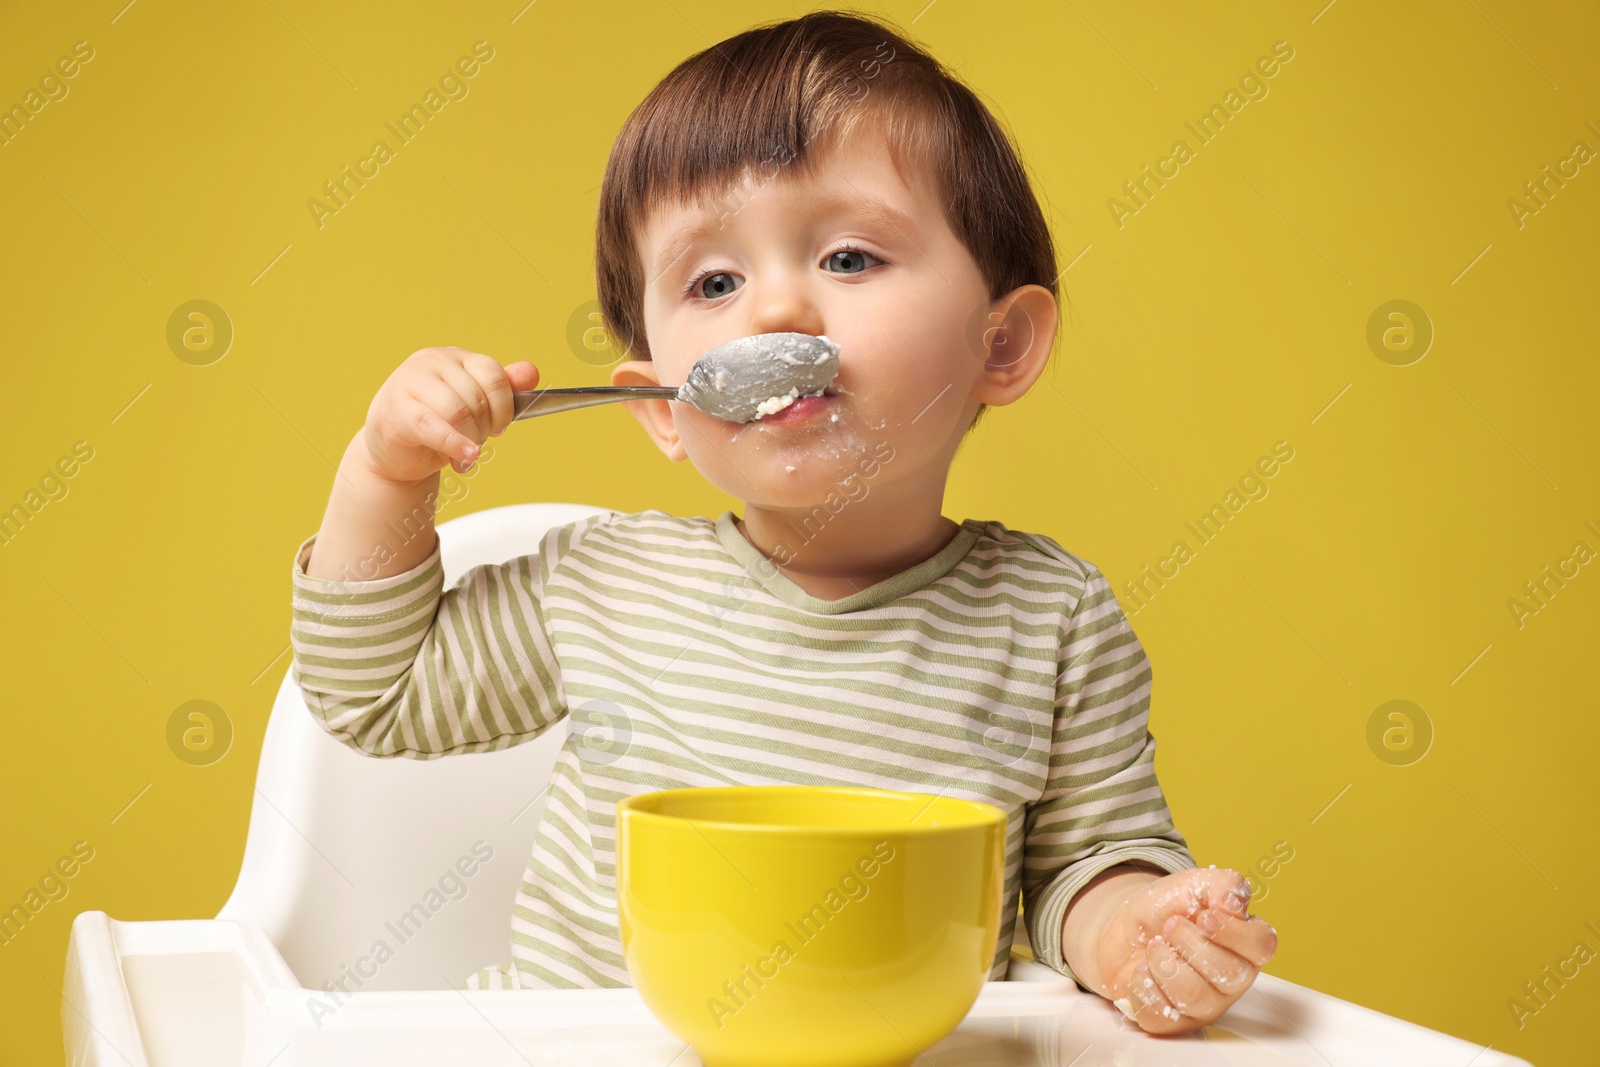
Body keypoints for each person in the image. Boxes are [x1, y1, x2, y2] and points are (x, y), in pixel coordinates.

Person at [288, 9, 1276, 1034]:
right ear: (659, 407)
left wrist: (1136, 933)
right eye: (714, 281)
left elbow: (1087, 864)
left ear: (1001, 344)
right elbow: (371, 690)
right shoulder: (598, 584)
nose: (771, 312)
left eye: (849, 258)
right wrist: (386, 472)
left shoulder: (1051, 619)